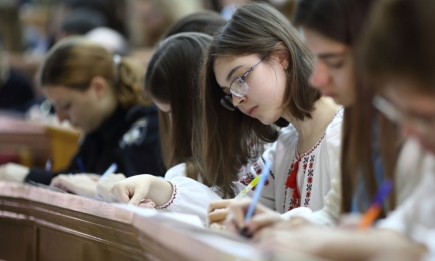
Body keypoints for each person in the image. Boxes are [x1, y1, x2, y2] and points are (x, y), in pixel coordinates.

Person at [231, 0, 434, 260]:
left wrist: (366, 243)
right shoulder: (358, 120)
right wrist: (284, 226)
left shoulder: (353, 127)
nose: (316, 78)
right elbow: (347, 220)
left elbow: (412, 240)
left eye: (335, 62)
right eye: (229, 93)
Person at [200, 2, 343, 226]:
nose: (237, 100)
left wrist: (276, 224)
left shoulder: (344, 132)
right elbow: (230, 203)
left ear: (281, 56)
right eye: (229, 93)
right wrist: (164, 190)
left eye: (240, 80)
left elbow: (349, 226)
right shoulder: (283, 148)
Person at [0, 37, 164, 196]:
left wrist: (26, 176)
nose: (61, 118)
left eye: (66, 106)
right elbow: (71, 178)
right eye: (54, 108)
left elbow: (120, 194)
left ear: (98, 88)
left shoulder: (148, 126)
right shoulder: (97, 128)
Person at [107, 33, 228, 224]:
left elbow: (229, 211)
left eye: (171, 113)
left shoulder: (262, 151)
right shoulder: (183, 171)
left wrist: (162, 192)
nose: (170, 124)